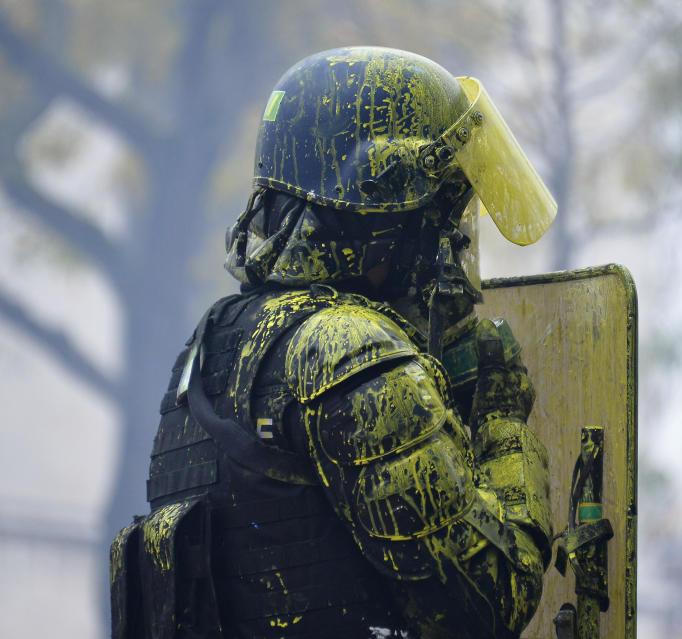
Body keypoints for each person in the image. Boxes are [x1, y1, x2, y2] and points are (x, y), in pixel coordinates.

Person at [109, 46, 558, 639]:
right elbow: (490, 602)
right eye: (440, 214)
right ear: (383, 205)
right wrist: (501, 421)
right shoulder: (348, 350)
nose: (449, 244)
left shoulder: (209, 349)